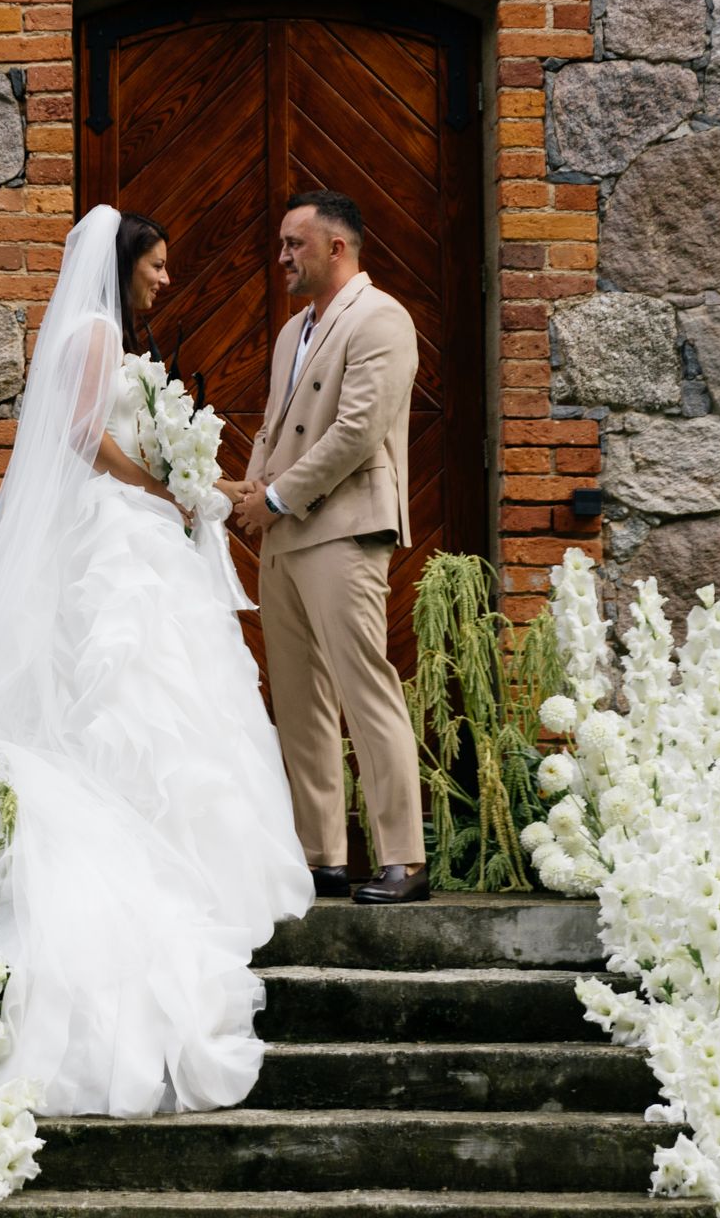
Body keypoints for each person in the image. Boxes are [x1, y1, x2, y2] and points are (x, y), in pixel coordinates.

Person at [0, 205, 311, 1117]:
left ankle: (172, 838)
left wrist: (193, 484)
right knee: (130, 677)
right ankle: (158, 842)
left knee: (158, 685)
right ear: (123, 263)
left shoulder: (103, 335)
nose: (167, 280)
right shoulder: (98, 333)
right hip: (115, 531)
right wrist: (163, 487)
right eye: (158, 265)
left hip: (129, 520)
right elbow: (82, 438)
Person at [232, 190, 429, 906]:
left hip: (344, 527)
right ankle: (323, 858)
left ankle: (404, 859)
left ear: (336, 247)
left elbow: (357, 431)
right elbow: (272, 428)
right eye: (283, 244)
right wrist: (250, 494)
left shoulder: (382, 318)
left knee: (364, 689)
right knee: (299, 699)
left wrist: (278, 497)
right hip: (284, 533)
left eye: (294, 244)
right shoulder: (294, 331)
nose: (282, 256)